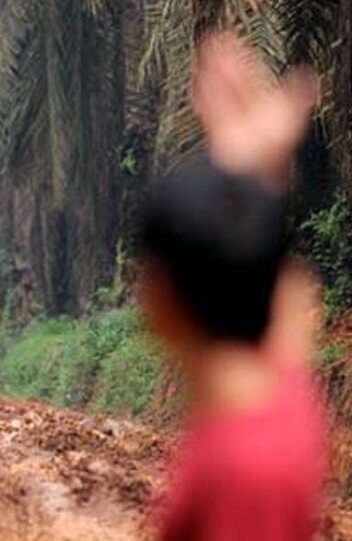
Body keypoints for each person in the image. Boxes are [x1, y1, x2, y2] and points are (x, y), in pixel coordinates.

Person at [139, 32, 327, 541]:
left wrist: (250, 162)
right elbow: (267, 266)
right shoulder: (284, 400)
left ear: (160, 303)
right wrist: (253, 161)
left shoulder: (243, 472)